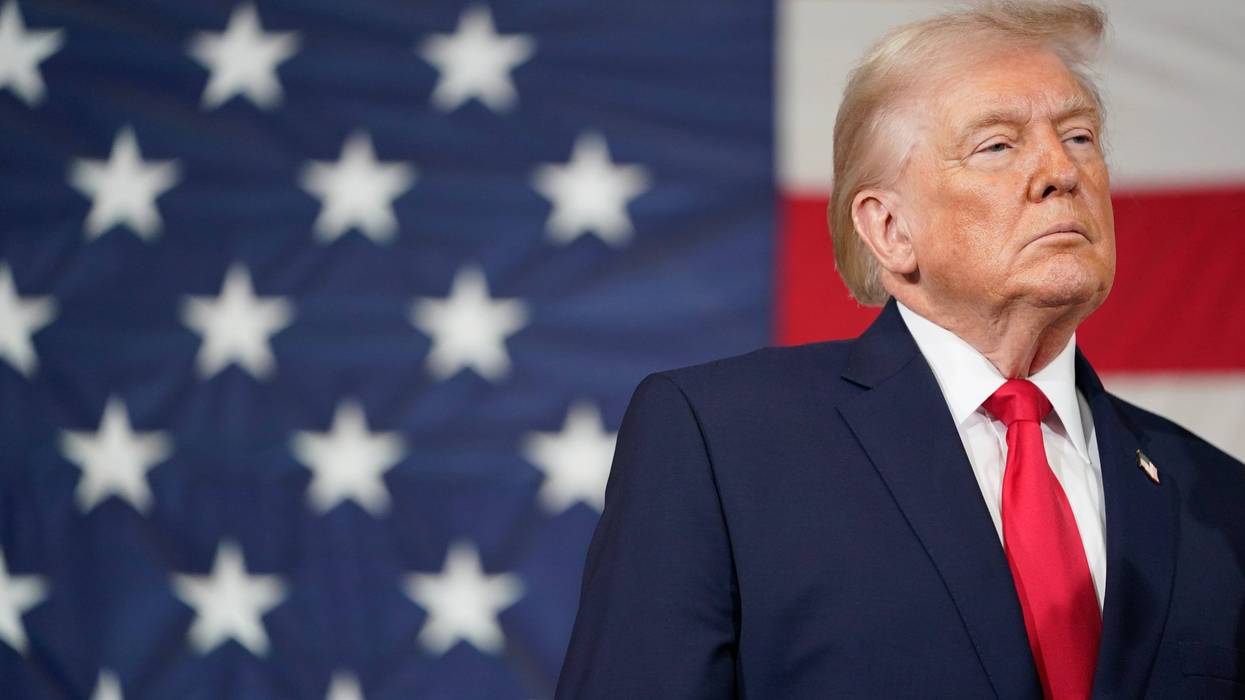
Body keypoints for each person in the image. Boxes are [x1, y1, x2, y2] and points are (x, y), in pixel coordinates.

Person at [555, 2, 1245, 698]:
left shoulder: (1218, 495)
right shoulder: (723, 445)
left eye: (1078, 136)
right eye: (997, 145)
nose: (1059, 172)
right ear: (888, 229)